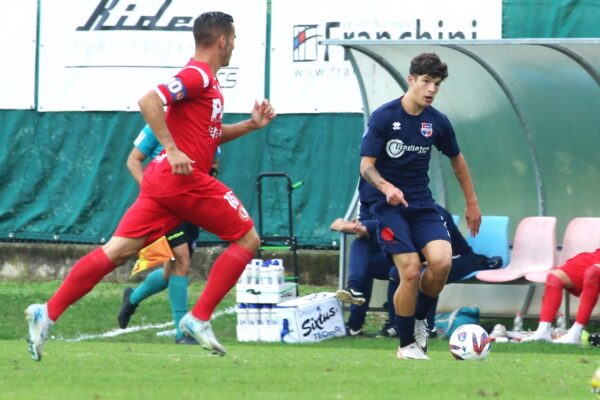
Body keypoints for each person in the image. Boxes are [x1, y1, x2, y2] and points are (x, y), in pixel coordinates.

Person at [25, 11, 276, 361]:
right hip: (182, 181)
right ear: (221, 40)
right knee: (248, 239)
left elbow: (210, 136)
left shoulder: (207, 82)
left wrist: (251, 125)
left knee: (116, 252)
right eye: (232, 39)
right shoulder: (198, 74)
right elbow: (148, 101)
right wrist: (172, 150)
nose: (234, 45)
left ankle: (46, 313)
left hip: (164, 184)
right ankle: (198, 318)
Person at [358, 53, 481, 360]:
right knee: (410, 270)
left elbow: (457, 159)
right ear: (411, 79)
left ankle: (420, 322)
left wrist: (472, 203)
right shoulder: (384, 117)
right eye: (426, 82)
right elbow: (366, 167)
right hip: (387, 206)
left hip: (422, 204)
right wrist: (386, 187)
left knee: (441, 263)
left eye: (436, 84)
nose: (431, 90)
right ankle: (405, 345)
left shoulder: (437, 122)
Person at [116, 124, 220, 345]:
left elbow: (213, 167)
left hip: (190, 207)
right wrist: (153, 191)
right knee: (181, 259)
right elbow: (133, 160)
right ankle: (183, 332)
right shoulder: (159, 125)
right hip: (164, 206)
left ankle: (132, 298)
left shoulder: (204, 128)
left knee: (169, 273)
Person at [334, 204, 500, 337]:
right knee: (364, 254)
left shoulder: (432, 214)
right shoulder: (382, 203)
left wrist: (358, 225)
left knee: (410, 271)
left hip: (454, 258)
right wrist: (359, 226)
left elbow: (435, 252)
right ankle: (356, 307)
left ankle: (423, 326)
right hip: (418, 257)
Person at [523, 248, 600, 345]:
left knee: (593, 273)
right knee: (554, 278)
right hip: (596, 255)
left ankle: (576, 333)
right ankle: (543, 331)